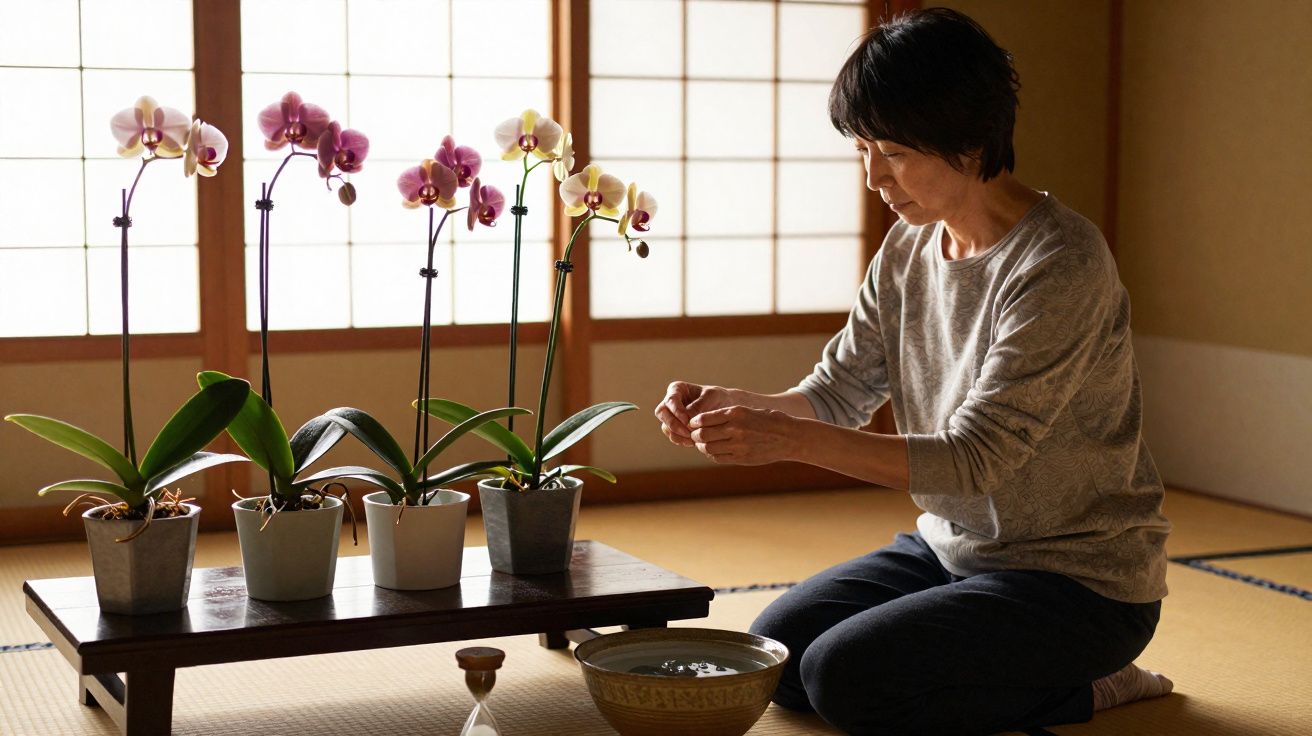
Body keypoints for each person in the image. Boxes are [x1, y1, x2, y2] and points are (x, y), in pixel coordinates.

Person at [654, 8, 1173, 736]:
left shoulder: (1060, 263)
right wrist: (737, 406)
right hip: (954, 549)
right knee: (778, 658)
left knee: (846, 681)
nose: (874, 176)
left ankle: (1093, 687)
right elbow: (839, 391)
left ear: (969, 139)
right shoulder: (908, 247)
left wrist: (787, 441)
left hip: (1080, 581)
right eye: (863, 150)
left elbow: (975, 460)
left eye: (893, 152)